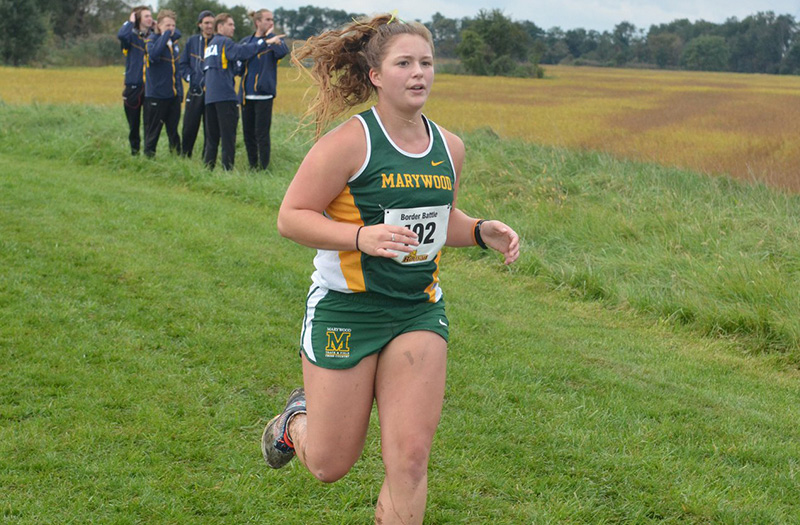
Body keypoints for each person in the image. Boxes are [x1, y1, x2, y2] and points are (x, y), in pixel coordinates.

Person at [261, 13, 520, 524]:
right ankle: (294, 421)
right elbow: (291, 217)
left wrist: (478, 230)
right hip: (347, 311)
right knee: (331, 464)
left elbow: (437, 220)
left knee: (410, 460)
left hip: (417, 312)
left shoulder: (450, 148)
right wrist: (361, 237)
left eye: (426, 62)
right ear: (376, 75)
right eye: (404, 63)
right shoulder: (350, 142)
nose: (418, 73)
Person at [203, 13, 268, 170]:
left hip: (210, 97)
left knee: (212, 138)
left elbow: (232, 68)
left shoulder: (210, 45)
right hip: (225, 96)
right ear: (220, 27)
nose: (234, 27)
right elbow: (241, 52)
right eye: (230, 24)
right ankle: (227, 169)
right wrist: (263, 43)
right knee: (228, 137)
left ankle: (208, 168)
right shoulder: (225, 42)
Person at [238, 9, 288, 170]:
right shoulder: (247, 41)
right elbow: (239, 63)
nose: (271, 22)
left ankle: (264, 167)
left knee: (262, 134)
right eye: (267, 19)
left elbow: (283, 52)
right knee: (248, 134)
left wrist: (270, 38)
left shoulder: (275, 41)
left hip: (264, 96)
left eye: (272, 19)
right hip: (246, 96)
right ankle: (252, 166)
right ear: (257, 22)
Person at [143, 10, 182, 157]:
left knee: (173, 131)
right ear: (158, 25)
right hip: (156, 95)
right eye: (167, 25)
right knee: (153, 132)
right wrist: (164, 35)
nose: (171, 29)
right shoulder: (151, 40)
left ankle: (177, 159)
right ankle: (148, 159)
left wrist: (179, 92)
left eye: (173, 25)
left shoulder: (174, 42)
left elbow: (176, 70)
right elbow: (153, 55)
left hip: (173, 96)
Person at [117, 6, 153, 155]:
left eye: (151, 16)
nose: (150, 18)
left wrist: (158, 25)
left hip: (151, 86)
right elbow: (121, 35)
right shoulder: (130, 37)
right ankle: (135, 152)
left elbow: (175, 34)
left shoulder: (154, 36)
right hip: (133, 85)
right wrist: (130, 21)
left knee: (150, 123)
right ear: (138, 19)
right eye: (146, 16)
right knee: (134, 123)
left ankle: (149, 153)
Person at [179, 10, 214, 158]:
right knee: (189, 126)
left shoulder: (219, 41)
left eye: (212, 23)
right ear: (200, 24)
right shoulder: (192, 41)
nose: (209, 26)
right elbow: (183, 64)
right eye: (206, 23)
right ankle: (185, 156)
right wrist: (190, 78)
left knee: (210, 129)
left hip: (212, 93)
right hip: (195, 91)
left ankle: (207, 160)